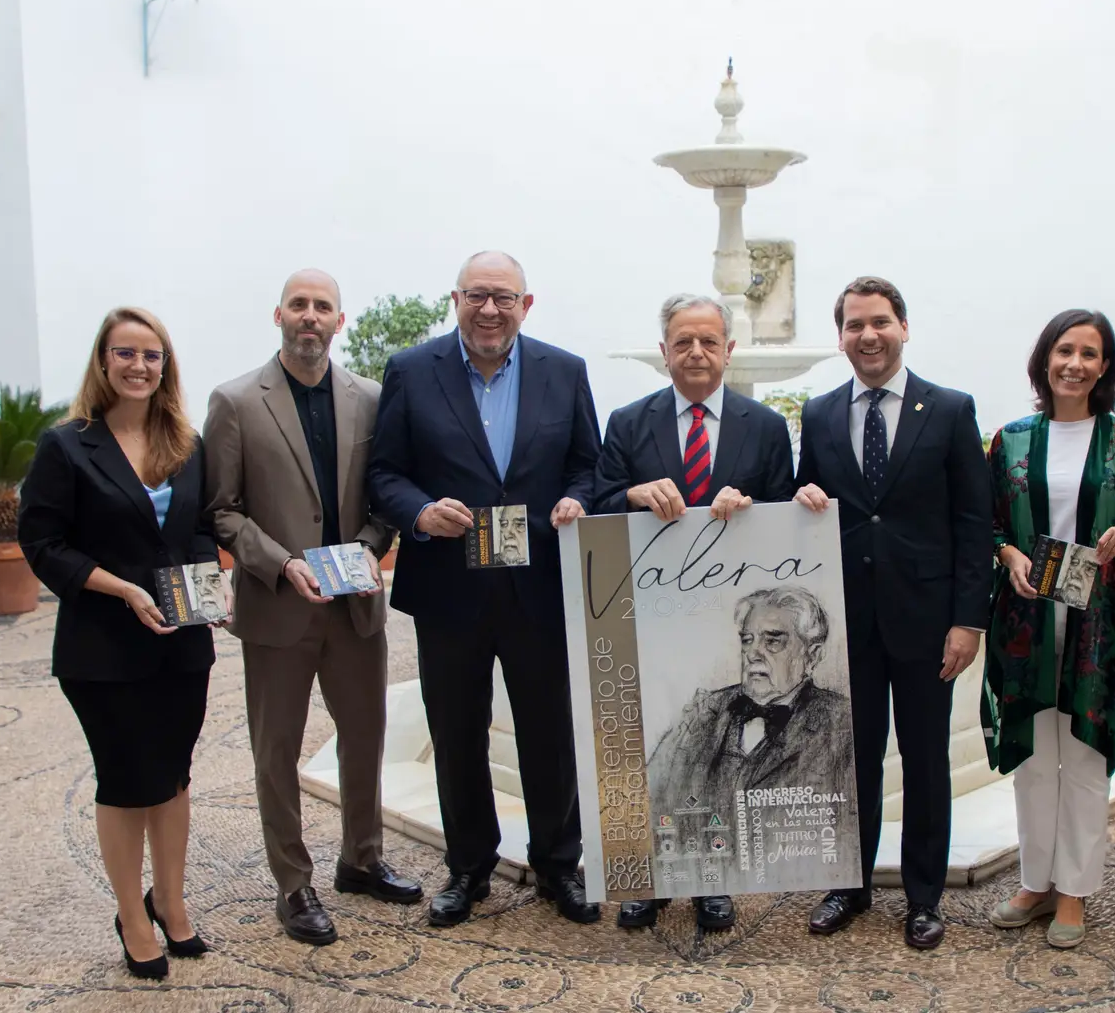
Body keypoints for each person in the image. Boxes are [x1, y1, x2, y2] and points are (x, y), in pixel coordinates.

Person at [368, 250, 603, 927]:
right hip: (449, 586)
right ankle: (469, 865)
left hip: (539, 587)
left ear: (527, 304)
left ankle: (560, 861)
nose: (490, 308)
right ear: (456, 299)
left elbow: (588, 466)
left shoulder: (566, 371)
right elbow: (385, 473)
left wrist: (576, 501)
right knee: (456, 730)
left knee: (549, 732)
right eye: (477, 295)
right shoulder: (413, 371)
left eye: (504, 296)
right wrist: (417, 511)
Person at [203, 269, 421, 947]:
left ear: (339, 320)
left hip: (355, 604)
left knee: (366, 737)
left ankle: (362, 856)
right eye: (298, 304)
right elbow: (222, 510)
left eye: (321, 306)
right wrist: (281, 562)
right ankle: (293, 883)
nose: (309, 316)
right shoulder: (236, 401)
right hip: (278, 606)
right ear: (278, 315)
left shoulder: (372, 400)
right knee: (277, 749)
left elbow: (386, 496)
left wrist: (365, 548)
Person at [17, 307, 224, 979]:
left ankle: (168, 898)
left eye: (152, 354)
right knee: (128, 781)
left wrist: (208, 597)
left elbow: (195, 534)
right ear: (103, 361)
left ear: (166, 365)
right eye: (125, 352)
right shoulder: (67, 444)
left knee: (174, 777)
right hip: (102, 647)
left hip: (181, 644)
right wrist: (123, 589)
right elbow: (43, 543)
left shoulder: (185, 441)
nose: (139, 365)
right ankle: (131, 917)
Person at [793, 275, 993, 950]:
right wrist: (804, 496)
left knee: (926, 759)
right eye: (854, 325)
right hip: (846, 624)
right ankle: (847, 885)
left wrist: (968, 620)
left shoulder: (949, 409)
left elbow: (975, 522)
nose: (868, 335)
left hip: (928, 621)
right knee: (851, 760)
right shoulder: (818, 414)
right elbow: (803, 498)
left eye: (879, 322)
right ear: (841, 335)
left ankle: (923, 897)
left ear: (903, 327)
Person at [592, 291, 795, 931]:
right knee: (650, 744)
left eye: (709, 341)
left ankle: (713, 879)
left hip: (728, 624)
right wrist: (631, 492)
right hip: (646, 620)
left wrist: (753, 504)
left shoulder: (764, 427)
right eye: (684, 341)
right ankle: (643, 880)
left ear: (729, 350)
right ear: (664, 352)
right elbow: (594, 498)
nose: (697, 352)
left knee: (717, 749)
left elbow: (789, 517)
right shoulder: (627, 422)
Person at [981, 309, 1115, 949]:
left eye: (1090, 353)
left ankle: (1075, 893)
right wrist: (1008, 559)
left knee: (1084, 757)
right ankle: (1035, 881)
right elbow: (990, 526)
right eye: (1065, 350)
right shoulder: (1009, 439)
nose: (1075, 364)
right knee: (1035, 759)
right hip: (1027, 621)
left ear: (1106, 367)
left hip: (1099, 626)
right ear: (1045, 358)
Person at [646, 588, 861, 881]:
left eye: (773, 641)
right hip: (693, 869)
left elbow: (844, 832)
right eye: (747, 640)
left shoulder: (839, 722)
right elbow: (651, 794)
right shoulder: (704, 710)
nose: (753, 653)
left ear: (813, 655)